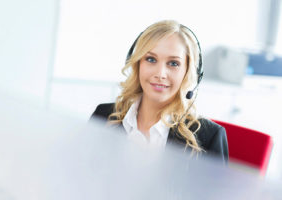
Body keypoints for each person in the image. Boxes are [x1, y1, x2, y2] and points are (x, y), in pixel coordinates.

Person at [90, 20, 228, 163]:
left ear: (187, 71)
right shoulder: (102, 116)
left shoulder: (208, 138)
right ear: (138, 64)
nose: (161, 74)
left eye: (173, 63)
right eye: (151, 59)